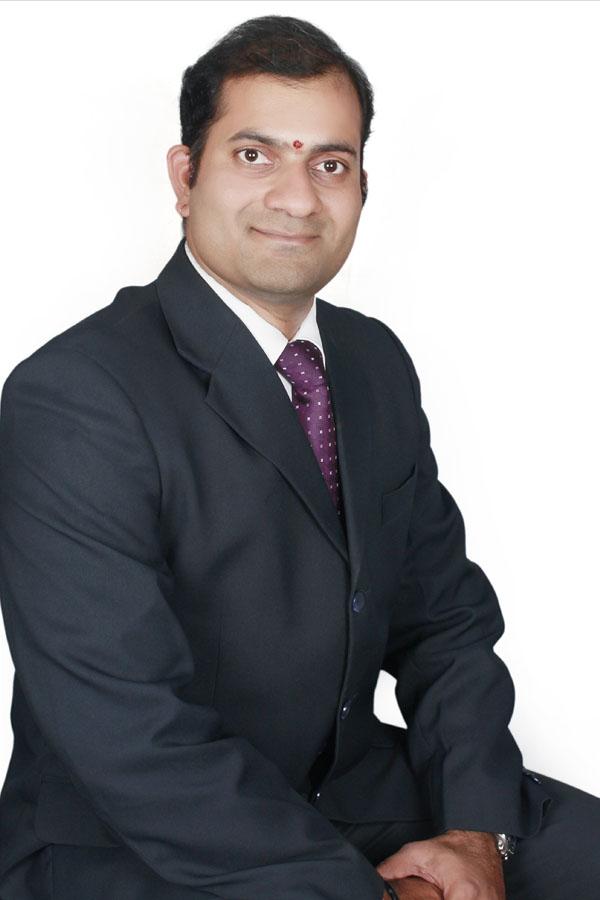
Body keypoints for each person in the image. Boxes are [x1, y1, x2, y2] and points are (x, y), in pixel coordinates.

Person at [0, 14, 598, 900]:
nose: (297, 197)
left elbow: (446, 625)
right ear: (184, 175)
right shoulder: (76, 396)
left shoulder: (371, 361)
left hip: (349, 792)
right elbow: (130, 735)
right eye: (255, 155)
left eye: (330, 163)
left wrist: (476, 833)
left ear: (361, 185)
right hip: (141, 838)